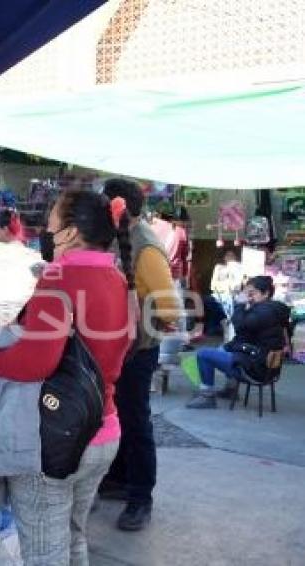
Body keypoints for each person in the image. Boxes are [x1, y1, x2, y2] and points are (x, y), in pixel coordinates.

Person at [0, 190, 134, 565]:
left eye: (52, 215)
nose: (46, 224)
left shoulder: (60, 275)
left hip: (58, 439)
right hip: (104, 430)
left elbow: (36, 361)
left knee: (44, 556)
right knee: (72, 540)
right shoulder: (114, 275)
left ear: (71, 231)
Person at [99, 179, 180, 532]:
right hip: (117, 348)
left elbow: (170, 308)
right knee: (116, 419)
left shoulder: (146, 246)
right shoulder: (119, 238)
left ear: (117, 207)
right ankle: (118, 480)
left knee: (135, 422)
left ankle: (140, 498)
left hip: (137, 351)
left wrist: (140, 325)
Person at [187, 276, 290, 409]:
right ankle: (230, 389)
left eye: (252, 293)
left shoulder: (264, 312)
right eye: (247, 293)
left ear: (266, 294)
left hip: (255, 367)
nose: (248, 297)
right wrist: (225, 348)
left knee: (203, 353)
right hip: (262, 363)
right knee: (223, 349)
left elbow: (240, 325)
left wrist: (240, 305)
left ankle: (207, 396)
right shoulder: (274, 309)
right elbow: (243, 337)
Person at [210, 250, 244, 338]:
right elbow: (213, 286)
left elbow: (238, 286)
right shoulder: (219, 267)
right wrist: (227, 285)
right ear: (224, 258)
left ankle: (232, 329)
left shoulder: (239, 268)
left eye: (232, 256)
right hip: (220, 294)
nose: (230, 258)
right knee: (226, 300)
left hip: (235, 295)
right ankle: (229, 328)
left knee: (235, 301)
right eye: (228, 255)